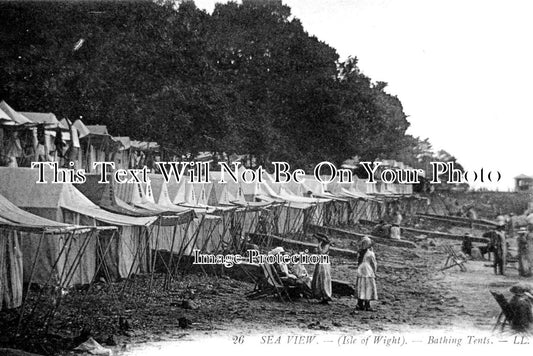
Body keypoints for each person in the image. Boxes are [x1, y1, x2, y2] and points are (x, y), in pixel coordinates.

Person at [355, 236, 378, 312]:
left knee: (361, 285)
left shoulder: (360, 252)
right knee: (368, 286)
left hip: (361, 268)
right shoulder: (371, 253)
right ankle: (367, 304)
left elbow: (358, 262)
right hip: (368, 269)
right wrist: (374, 272)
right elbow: (374, 264)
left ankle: (360, 303)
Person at [311, 233, 332, 305]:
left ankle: (326, 296)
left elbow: (322, 252)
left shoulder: (326, 245)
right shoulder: (323, 245)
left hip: (324, 263)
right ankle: (321, 295)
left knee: (324, 278)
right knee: (318, 278)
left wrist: (319, 246)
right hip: (320, 262)